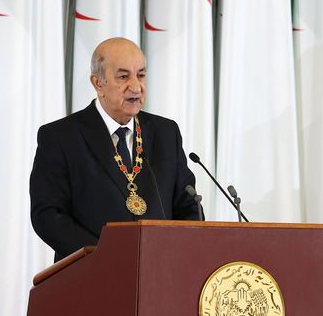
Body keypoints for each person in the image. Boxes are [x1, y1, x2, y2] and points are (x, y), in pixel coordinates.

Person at [30, 37, 201, 261]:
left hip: (159, 268)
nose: (136, 87)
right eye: (123, 77)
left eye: (141, 75)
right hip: (92, 270)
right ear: (97, 83)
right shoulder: (61, 137)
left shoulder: (166, 133)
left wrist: (176, 252)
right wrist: (104, 255)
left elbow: (188, 206)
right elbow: (48, 215)